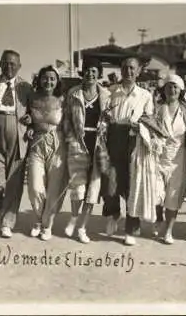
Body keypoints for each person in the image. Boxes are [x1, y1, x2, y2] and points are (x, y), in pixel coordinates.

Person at [101, 56, 154, 246]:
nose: (128, 72)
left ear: (139, 71)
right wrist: (106, 120)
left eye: (132, 68)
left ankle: (131, 229)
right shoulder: (110, 92)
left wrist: (136, 125)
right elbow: (104, 117)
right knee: (111, 183)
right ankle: (113, 214)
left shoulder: (145, 95)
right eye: (125, 68)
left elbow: (149, 122)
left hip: (134, 142)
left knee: (133, 187)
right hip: (113, 140)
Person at [0, 49, 33, 238]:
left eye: (13, 64)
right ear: (0, 63)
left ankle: (7, 222)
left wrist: (31, 119)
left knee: (14, 180)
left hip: (18, 134)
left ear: (19, 66)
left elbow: (34, 110)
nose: (9, 66)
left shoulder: (26, 87)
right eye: (6, 63)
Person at [63, 58, 111, 243]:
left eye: (94, 71)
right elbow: (66, 118)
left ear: (99, 74)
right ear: (82, 72)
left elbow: (110, 118)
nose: (91, 74)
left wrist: (104, 126)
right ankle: (74, 218)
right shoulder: (73, 93)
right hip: (78, 142)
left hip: (99, 144)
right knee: (78, 187)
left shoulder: (106, 94)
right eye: (88, 71)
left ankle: (82, 228)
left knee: (93, 189)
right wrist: (70, 138)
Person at [25, 65, 68, 241]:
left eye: (52, 78)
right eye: (45, 77)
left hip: (58, 146)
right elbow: (26, 117)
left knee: (54, 188)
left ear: (57, 81)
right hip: (37, 143)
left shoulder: (63, 100)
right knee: (35, 186)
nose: (48, 81)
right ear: (39, 79)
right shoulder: (31, 98)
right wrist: (28, 125)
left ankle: (46, 225)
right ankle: (38, 218)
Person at [152, 74, 186, 244]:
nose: (172, 90)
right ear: (164, 90)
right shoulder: (158, 108)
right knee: (156, 194)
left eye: (175, 87)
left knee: (173, 196)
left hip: (179, 158)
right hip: (159, 155)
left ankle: (168, 231)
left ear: (180, 90)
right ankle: (158, 217)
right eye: (169, 87)